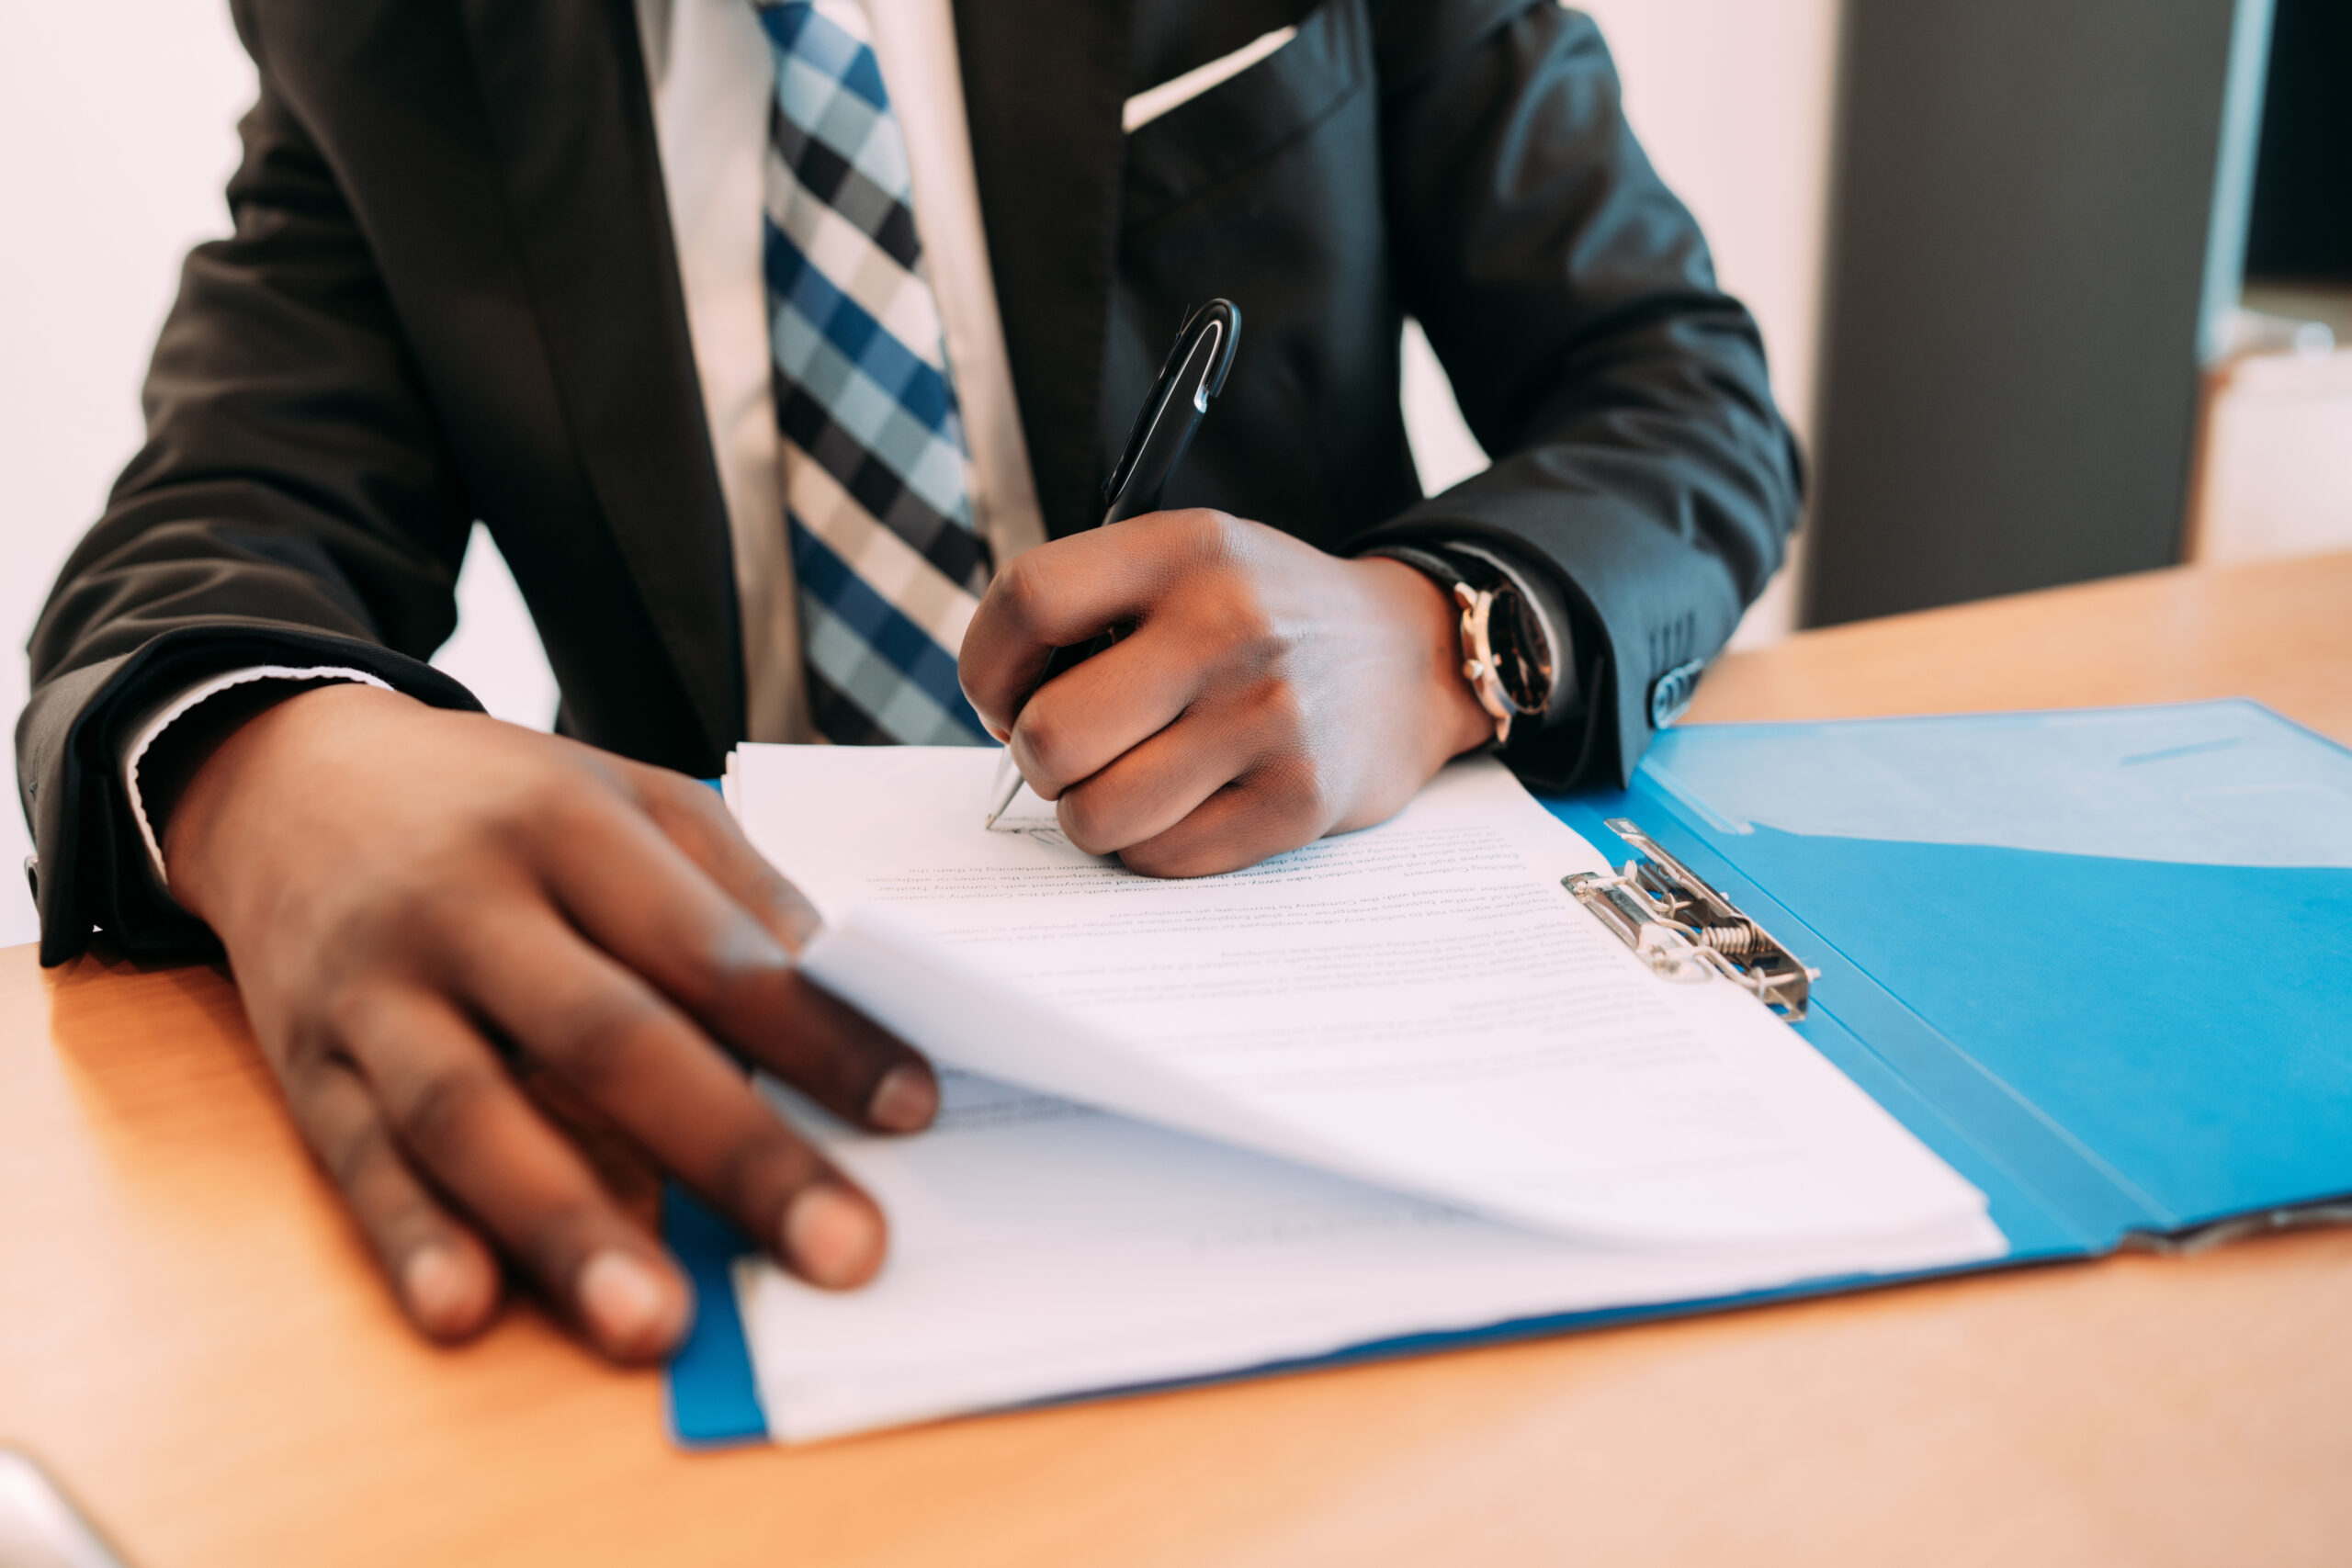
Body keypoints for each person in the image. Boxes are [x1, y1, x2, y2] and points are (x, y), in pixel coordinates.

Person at [17, 0, 1800, 1362]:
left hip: (1329, 999)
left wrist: (1431, 637)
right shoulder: (384, 30)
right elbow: (212, 522)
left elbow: (1678, 393)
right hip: (734, 1059)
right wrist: (267, 765)